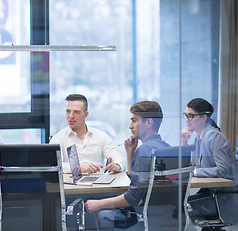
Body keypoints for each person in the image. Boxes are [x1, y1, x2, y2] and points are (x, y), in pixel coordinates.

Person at [84, 101, 170, 230]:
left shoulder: (144, 151)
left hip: (141, 217)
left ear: (149, 123)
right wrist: (130, 153)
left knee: (98, 212)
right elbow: (139, 183)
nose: (130, 126)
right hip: (163, 217)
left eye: (134, 121)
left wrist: (98, 204)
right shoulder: (166, 148)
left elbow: (133, 197)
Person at [181, 98, 238, 224]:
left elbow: (222, 170)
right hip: (212, 192)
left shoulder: (214, 137)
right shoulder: (198, 137)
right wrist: (184, 142)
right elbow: (191, 165)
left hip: (225, 196)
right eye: (186, 115)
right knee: (179, 204)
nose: (186, 120)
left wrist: (196, 172)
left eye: (190, 116)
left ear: (203, 117)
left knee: (181, 208)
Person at [50, 94, 125, 174]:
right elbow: (53, 166)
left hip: (98, 184)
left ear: (86, 114)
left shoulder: (101, 136)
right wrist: (79, 168)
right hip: (71, 185)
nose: (71, 116)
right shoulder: (58, 139)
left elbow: (120, 162)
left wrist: (116, 166)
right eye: (68, 111)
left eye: (76, 112)